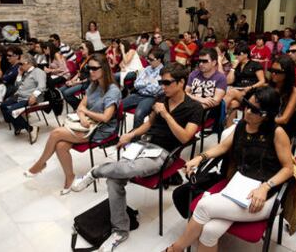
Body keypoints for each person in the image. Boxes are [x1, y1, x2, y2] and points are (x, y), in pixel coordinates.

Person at [71, 63, 203, 252]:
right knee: (114, 180)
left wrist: (166, 115)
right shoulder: (161, 98)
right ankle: (120, 230)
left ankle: (95, 172)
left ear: (181, 83)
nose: (162, 86)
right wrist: (131, 134)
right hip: (144, 144)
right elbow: (148, 124)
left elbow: (185, 137)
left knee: (127, 169)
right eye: (161, 82)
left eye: (167, 82)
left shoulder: (194, 108)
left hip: (165, 152)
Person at [165, 86, 294, 252]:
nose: (247, 111)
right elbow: (223, 147)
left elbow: (288, 169)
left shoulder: (277, 133)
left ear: (266, 115)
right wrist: (199, 157)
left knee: (203, 206)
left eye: (254, 110)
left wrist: (265, 187)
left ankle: (174, 249)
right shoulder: (242, 125)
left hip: (264, 194)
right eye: (247, 104)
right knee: (210, 231)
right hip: (239, 187)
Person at [24, 53, 121, 194]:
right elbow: (81, 106)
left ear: (104, 69)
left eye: (94, 69)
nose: (91, 72)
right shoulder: (94, 85)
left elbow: (106, 118)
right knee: (61, 145)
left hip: (100, 129)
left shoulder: (113, 90)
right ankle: (70, 177)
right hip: (87, 123)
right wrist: (82, 115)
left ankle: (40, 164)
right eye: (89, 68)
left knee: (56, 133)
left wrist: (85, 113)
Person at [0, 54, 47, 143]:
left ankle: (31, 129)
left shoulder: (38, 72)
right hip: (20, 96)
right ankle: (18, 125)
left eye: (21, 64)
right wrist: (19, 74)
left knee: (11, 111)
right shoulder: (26, 72)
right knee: (3, 105)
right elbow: (17, 86)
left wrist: (34, 95)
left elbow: (42, 86)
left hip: (29, 98)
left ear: (28, 63)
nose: (19, 66)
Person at [122, 48, 164, 128]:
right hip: (138, 94)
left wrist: (144, 83)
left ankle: (135, 138)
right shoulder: (147, 68)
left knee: (138, 115)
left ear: (159, 60)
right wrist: (149, 82)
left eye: (151, 59)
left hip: (151, 97)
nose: (148, 61)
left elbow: (155, 90)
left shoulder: (163, 71)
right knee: (118, 107)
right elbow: (136, 84)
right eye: (148, 58)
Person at [224, 44, 266, 125]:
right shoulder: (237, 66)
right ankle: (231, 128)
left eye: (238, 54)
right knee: (233, 104)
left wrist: (250, 87)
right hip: (239, 92)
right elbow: (228, 81)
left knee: (232, 92)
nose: (236, 56)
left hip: (251, 93)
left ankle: (217, 117)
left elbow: (262, 81)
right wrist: (233, 68)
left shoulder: (255, 64)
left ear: (246, 54)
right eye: (235, 54)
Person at [268, 55, 296, 137]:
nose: (273, 74)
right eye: (272, 70)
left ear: (287, 73)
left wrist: (263, 120)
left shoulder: (294, 91)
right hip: (265, 123)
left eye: (278, 71)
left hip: (282, 127)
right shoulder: (267, 87)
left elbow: (284, 119)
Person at [59, 40, 94, 110]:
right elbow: (79, 73)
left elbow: (92, 77)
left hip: (87, 83)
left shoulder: (92, 60)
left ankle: (81, 107)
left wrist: (77, 82)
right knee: (60, 90)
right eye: (80, 48)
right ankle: (81, 106)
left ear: (88, 49)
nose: (80, 50)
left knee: (66, 93)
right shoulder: (83, 59)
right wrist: (71, 81)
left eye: (82, 48)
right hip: (80, 80)